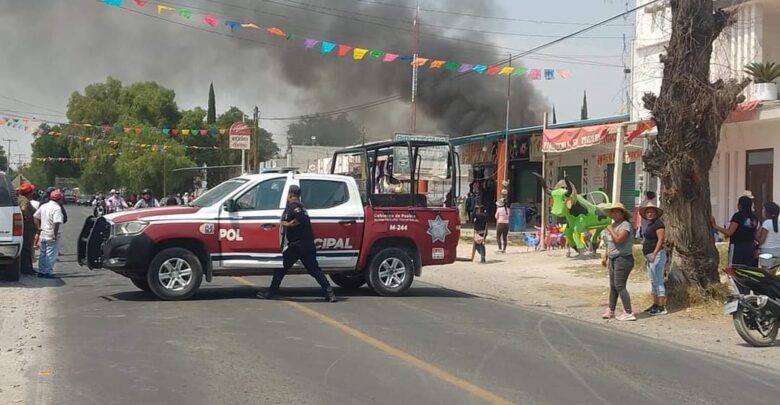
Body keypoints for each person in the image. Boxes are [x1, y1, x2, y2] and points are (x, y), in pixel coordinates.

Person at [257, 185, 337, 302]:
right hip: (307, 244)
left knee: (280, 268)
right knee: (315, 270)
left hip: (298, 245)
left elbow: (300, 219)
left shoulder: (294, 206)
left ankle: (271, 292)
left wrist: (287, 224)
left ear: (290, 194)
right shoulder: (302, 206)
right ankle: (330, 293)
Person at [600, 202, 636, 321]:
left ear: (622, 213)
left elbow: (619, 240)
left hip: (623, 258)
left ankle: (628, 311)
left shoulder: (625, 225)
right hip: (613, 257)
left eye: (617, 211)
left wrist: (610, 229)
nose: (614, 214)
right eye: (613, 212)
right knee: (613, 286)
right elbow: (609, 243)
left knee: (620, 285)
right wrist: (605, 256)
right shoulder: (614, 225)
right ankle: (611, 309)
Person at [713, 195, 759, 266]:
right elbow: (755, 233)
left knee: (735, 268)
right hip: (750, 246)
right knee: (748, 268)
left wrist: (715, 226)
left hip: (738, 245)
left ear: (740, 205)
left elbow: (730, 232)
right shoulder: (754, 217)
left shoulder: (738, 216)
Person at [640, 202, 667, 316]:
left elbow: (661, 240)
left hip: (656, 254)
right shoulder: (650, 225)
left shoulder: (658, 224)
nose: (649, 214)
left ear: (656, 213)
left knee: (658, 280)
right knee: (653, 281)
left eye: (651, 212)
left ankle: (661, 306)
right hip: (650, 255)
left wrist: (655, 253)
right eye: (648, 212)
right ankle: (655, 304)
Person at [33, 190, 64, 278]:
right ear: (59, 199)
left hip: (43, 233)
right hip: (51, 233)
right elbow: (56, 222)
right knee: (51, 254)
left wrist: (38, 228)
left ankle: (41, 271)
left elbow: (35, 217)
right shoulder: (57, 208)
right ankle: (48, 272)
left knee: (43, 253)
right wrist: (54, 234)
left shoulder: (44, 206)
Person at [17, 183, 37, 275]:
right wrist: (28, 217)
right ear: (29, 192)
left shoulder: (19, 198)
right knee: (27, 248)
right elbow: (24, 209)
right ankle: (26, 269)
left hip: (25, 227)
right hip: (27, 228)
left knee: (26, 248)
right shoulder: (25, 201)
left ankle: (27, 267)